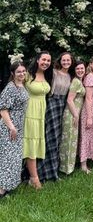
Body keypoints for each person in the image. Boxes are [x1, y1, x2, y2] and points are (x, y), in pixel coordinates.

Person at [37, 52, 74, 182]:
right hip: (52, 103)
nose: (66, 62)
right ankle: (43, 172)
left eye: (68, 60)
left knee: (57, 138)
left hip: (63, 105)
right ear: (60, 61)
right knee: (50, 137)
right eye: (64, 60)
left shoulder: (70, 75)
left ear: (71, 62)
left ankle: (53, 171)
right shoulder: (53, 72)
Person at [23, 51, 52, 189]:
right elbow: (15, 89)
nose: (46, 62)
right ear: (37, 60)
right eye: (43, 60)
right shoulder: (27, 74)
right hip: (29, 114)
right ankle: (34, 179)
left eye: (48, 61)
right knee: (31, 145)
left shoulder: (48, 75)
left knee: (35, 144)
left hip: (40, 114)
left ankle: (31, 177)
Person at [0, 61, 29, 198]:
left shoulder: (22, 85)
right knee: (8, 158)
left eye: (23, 71)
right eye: (18, 72)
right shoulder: (10, 88)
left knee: (14, 158)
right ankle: (1, 190)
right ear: (13, 73)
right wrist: (12, 127)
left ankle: (8, 185)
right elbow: (3, 110)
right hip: (9, 127)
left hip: (18, 126)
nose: (22, 73)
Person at [59, 60, 86, 175]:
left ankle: (69, 165)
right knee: (69, 141)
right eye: (77, 69)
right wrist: (75, 115)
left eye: (82, 68)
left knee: (72, 140)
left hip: (74, 114)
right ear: (74, 71)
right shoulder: (76, 82)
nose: (80, 70)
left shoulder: (80, 81)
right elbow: (69, 100)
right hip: (71, 114)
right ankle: (66, 168)